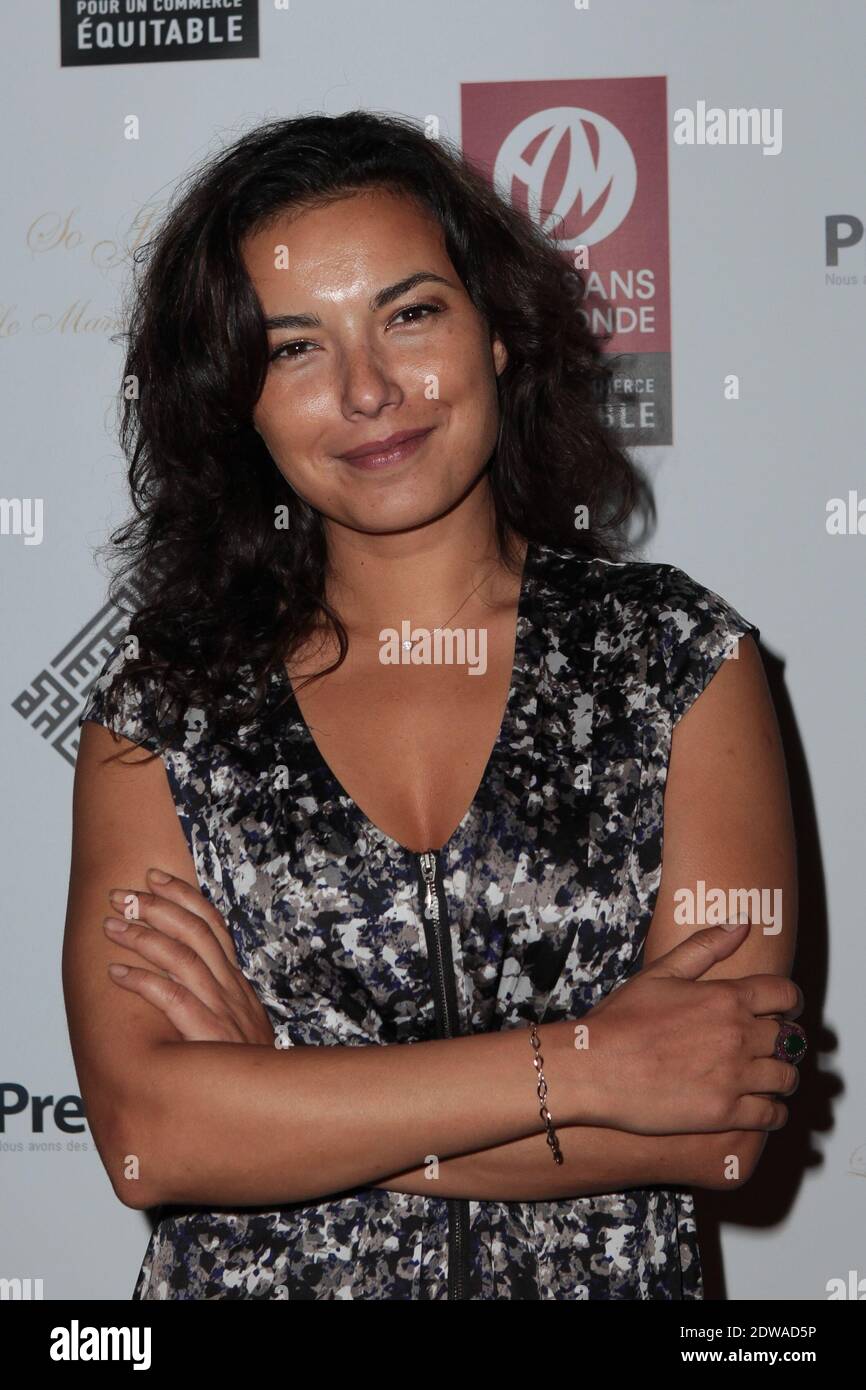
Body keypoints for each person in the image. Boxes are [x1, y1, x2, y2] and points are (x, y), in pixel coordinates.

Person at [63, 111, 804, 1301]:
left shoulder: (673, 656)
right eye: (294, 347)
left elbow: (713, 1124)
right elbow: (158, 1134)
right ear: (234, 399)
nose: (367, 391)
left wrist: (288, 1097)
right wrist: (588, 1065)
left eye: (410, 314)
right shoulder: (165, 701)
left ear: (498, 334)